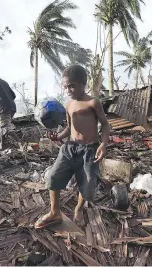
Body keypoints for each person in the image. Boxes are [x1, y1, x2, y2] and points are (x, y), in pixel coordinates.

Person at [34, 64, 110, 229]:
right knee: (53, 177)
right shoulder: (68, 105)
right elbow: (70, 128)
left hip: (90, 150)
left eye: (71, 86)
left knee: (87, 184)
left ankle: (79, 208)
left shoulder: (92, 102)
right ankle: (55, 212)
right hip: (70, 147)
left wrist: (103, 144)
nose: (68, 90)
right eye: (65, 87)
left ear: (83, 84)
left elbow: (105, 125)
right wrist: (58, 136)